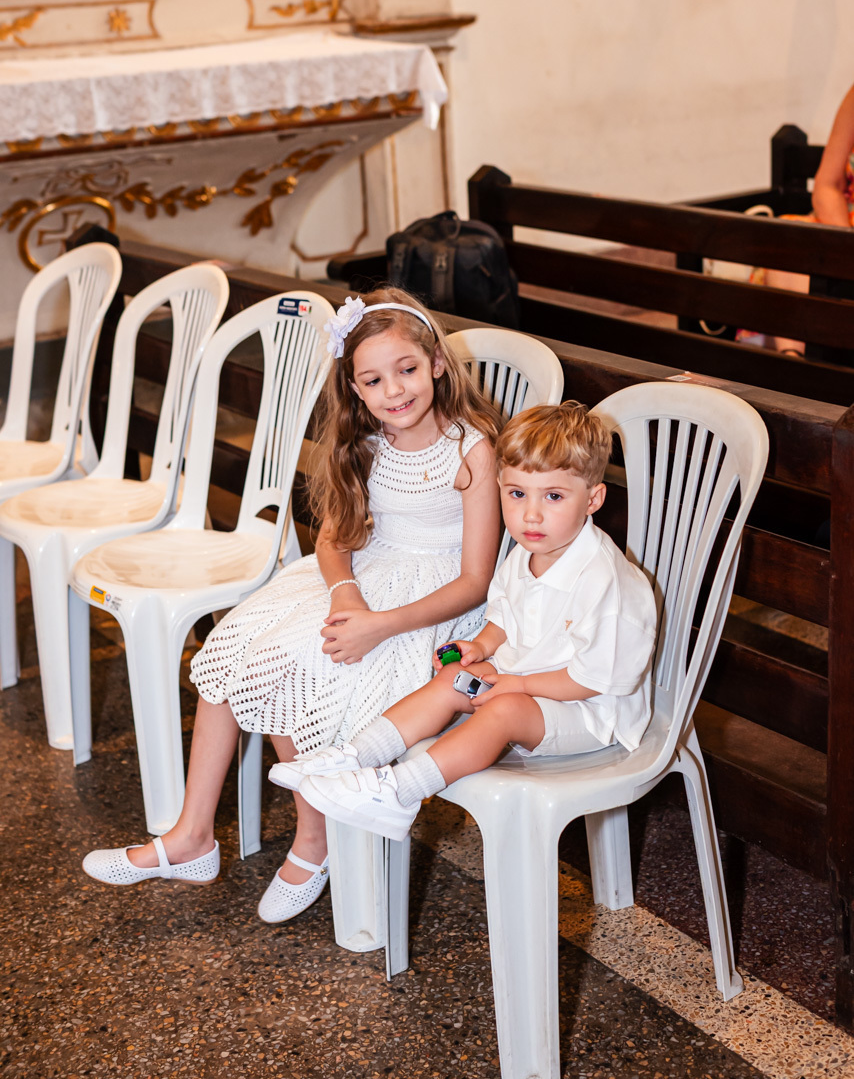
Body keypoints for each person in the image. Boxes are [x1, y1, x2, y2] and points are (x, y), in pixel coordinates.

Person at [82, 288, 502, 919]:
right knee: (233, 651)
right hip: (356, 581)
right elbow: (334, 539)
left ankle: (314, 839)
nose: (395, 391)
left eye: (407, 370)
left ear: (437, 364)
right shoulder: (365, 442)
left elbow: (476, 580)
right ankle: (192, 836)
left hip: (433, 604)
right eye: (374, 379)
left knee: (302, 659)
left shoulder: (472, 448)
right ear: (355, 389)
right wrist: (348, 596)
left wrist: (377, 626)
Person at [274, 402, 657, 843]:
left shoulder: (604, 582)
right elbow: (505, 618)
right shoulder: (525, 555)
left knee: (504, 709)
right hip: (528, 684)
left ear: (592, 499)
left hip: (591, 712)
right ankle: (354, 756)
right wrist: (481, 646)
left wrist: (519, 686)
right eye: (517, 494)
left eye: (552, 496)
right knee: (454, 678)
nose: (530, 515)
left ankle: (400, 792)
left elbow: (595, 680)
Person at [756, 84, 854, 354]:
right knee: (787, 238)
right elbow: (826, 185)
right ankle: (792, 361)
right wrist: (845, 245)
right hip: (843, 226)